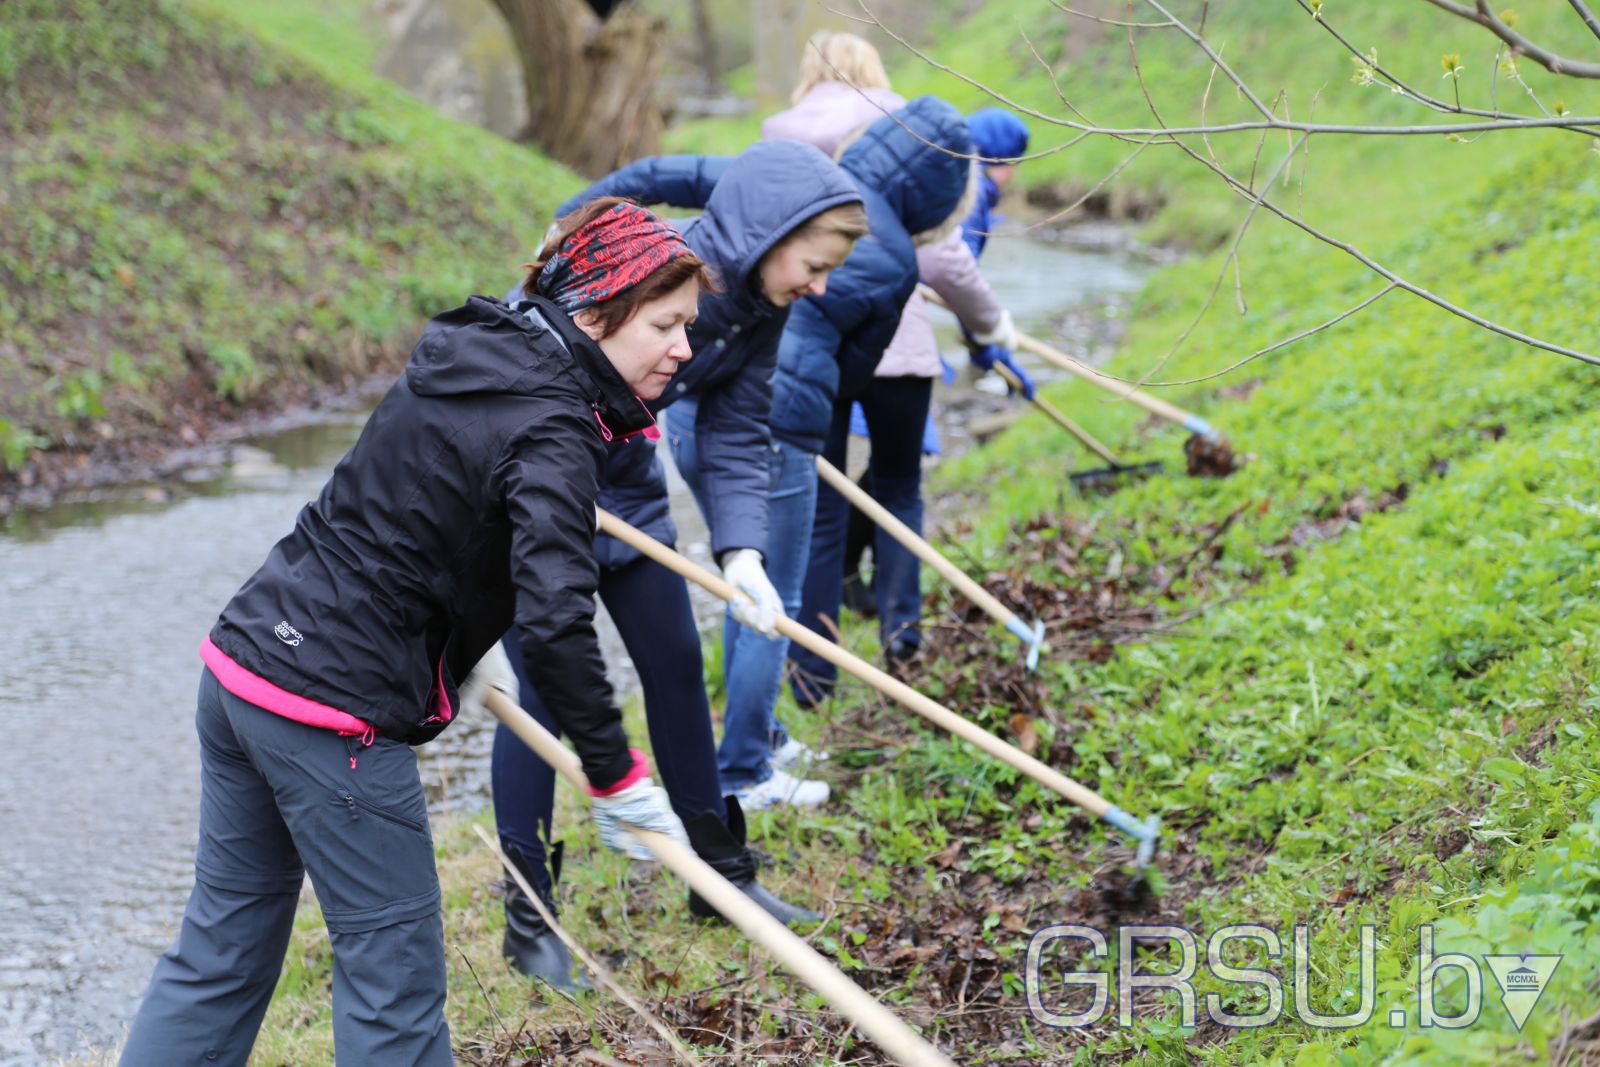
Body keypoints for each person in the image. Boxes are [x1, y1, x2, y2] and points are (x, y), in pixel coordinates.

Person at [117, 198, 707, 1066]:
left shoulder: (479, 344)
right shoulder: (555, 427)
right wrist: (614, 772)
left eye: (688, 326)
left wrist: (461, 646)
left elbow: (416, 511)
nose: (683, 348)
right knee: (392, 983)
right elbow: (557, 619)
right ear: (595, 309)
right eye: (665, 324)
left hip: (243, 665)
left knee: (219, 952)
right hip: (333, 716)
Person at [486, 140, 866, 991]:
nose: (821, 287)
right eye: (815, 264)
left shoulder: (764, 307)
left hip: (627, 489)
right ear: (772, 234)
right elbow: (516, 371)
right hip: (536, 496)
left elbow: (735, 430)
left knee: (675, 667)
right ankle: (529, 914)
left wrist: (742, 550)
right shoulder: (637, 272)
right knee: (541, 695)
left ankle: (719, 876)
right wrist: (535, 487)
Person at [666, 95, 972, 783]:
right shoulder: (884, 252)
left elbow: (671, 173)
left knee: (746, 578)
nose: (820, 283)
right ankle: (747, 764)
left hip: (701, 417)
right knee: (770, 594)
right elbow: (849, 373)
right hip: (770, 430)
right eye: (815, 270)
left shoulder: (786, 208)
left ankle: (762, 735)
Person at [840, 106, 1038, 651]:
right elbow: (953, 271)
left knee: (881, 473)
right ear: (999, 162)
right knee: (899, 476)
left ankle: (853, 590)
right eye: (1011, 163)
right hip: (894, 347)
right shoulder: (963, 196)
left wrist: (984, 346)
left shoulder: (920, 174)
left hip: (859, 344)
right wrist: (990, 336)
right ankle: (889, 618)